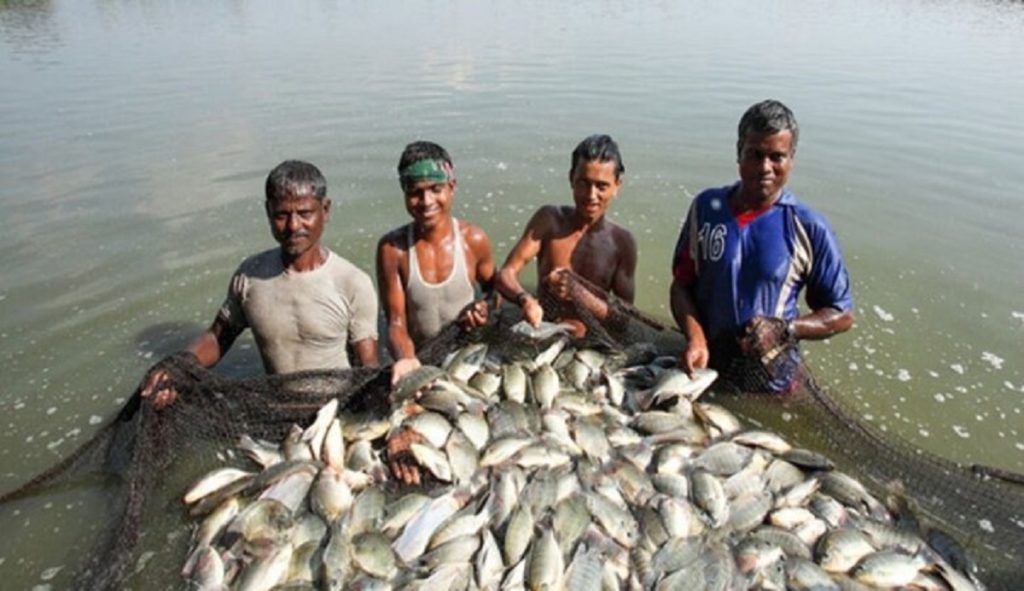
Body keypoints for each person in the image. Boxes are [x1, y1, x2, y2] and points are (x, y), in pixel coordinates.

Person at [141, 160, 379, 408]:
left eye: (305, 213)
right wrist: (179, 365)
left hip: (335, 409)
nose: (293, 226)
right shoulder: (250, 276)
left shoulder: (352, 283)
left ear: (325, 210)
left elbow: (368, 369)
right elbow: (217, 338)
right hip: (276, 409)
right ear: (268, 212)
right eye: (282, 215)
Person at [669, 99, 854, 393]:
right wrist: (696, 338)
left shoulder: (808, 226)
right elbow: (681, 286)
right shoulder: (706, 207)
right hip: (704, 368)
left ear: (792, 158)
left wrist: (786, 329)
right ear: (738, 152)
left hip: (773, 382)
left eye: (777, 157)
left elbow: (841, 314)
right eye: (755, 154)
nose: (765, 167)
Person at [376, 141, 496, 385]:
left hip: (467, 358)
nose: (426, 201)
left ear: (452, 187)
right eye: (415, 192)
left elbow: (495, 290)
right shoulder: (393, 250)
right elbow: (396, 322)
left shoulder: (473, 240)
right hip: (420, 361)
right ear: (404, 193)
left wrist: (485, 308)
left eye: (436, 189)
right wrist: (407, 360)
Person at [496, 134, 637, 335]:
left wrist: (580, 294)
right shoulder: (549, 220)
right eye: (583, 183)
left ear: (616, 186)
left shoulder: (622, 242)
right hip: (543, 332)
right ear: (571, 178)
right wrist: (525, 299)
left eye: (601, 186)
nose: (591, 195)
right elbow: (506, 274)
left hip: (590, 342)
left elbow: (623, 320)